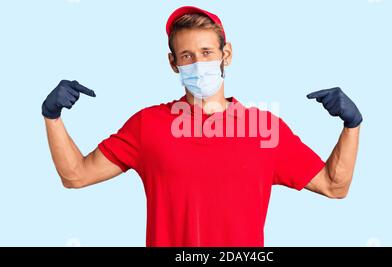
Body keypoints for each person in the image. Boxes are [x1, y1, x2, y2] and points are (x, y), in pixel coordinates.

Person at [42, 6, 362, 247]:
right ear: (173, 64)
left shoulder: (265, 130)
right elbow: (76, 176)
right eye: (187, 56)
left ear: (227, 54)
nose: (198, 64)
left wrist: (351, 125)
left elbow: (335, 186)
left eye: (207, 53)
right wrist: (52, 117)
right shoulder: (147, 127)